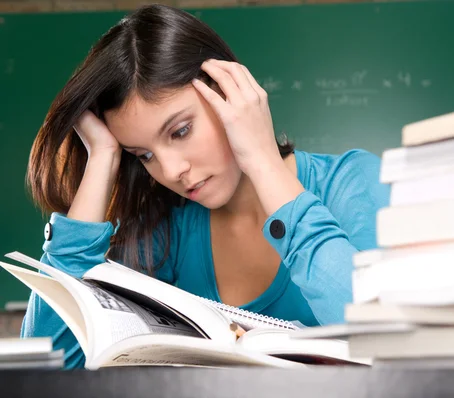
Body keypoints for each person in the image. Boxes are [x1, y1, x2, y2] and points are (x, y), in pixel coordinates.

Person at [23, 4, 390, 369]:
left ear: (231, 92)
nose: (171, 170)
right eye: (144, 155)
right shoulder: (164, 233)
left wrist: (263, 162)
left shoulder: (355, 184)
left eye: (180, 131)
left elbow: (382, 339)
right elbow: (49, 370)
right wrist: (102, 157)